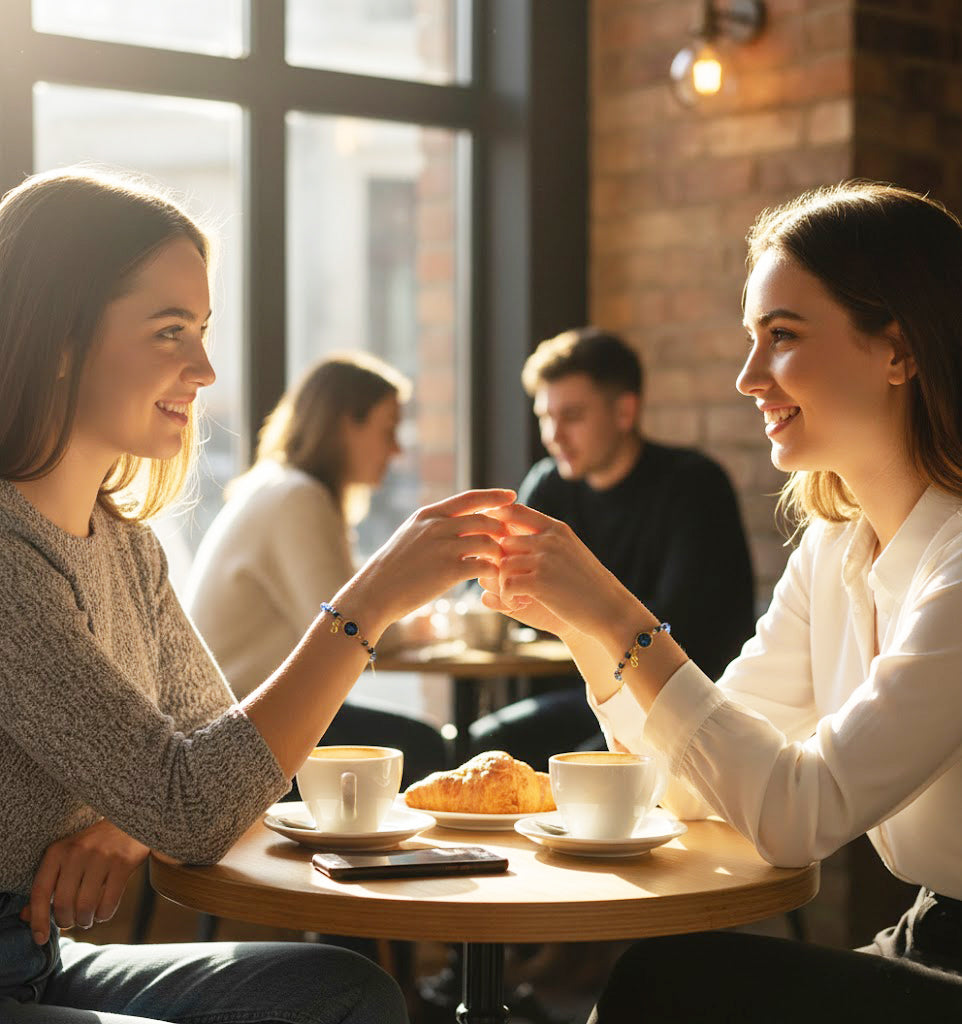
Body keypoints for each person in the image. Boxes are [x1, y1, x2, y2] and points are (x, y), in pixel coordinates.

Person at [0, 167, 513, 1023]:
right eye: (170, 331)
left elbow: (221, 767)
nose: (203, 368)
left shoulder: (126, 548)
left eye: (201, 330)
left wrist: (131, 825)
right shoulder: (9, 560)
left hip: (44, 959)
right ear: (57, 338)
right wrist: (372, 596)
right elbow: (199, 803)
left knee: (347, 994)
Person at [481, 181, 962, 1020]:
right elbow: (683, 784)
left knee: (666, 989)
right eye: (751, 339)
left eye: (781, 337)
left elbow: (796, 815)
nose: (747, 377)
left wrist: (618, 612)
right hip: (929, 935)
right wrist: (587, 630)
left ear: (898, 350)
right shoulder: (836, 548)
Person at [469, 327, 755, 768]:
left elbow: (688, 627)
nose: (553, 435)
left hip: (674, 700)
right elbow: (495, 582)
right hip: (578, 687)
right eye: (545, 417)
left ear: (624, 412)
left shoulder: (692, 485)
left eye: (572, 416)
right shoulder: (550, 483)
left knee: (571, 762)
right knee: (485, 741)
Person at [185, 352, 446, 789]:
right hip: (243, 724)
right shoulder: (297, 499)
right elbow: (342, 629)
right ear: (347, 424)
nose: (397, 450)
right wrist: (420, 629)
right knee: (423, 746)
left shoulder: (282, 488)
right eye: (388, 431)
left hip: (246, 710)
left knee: (416, 742)